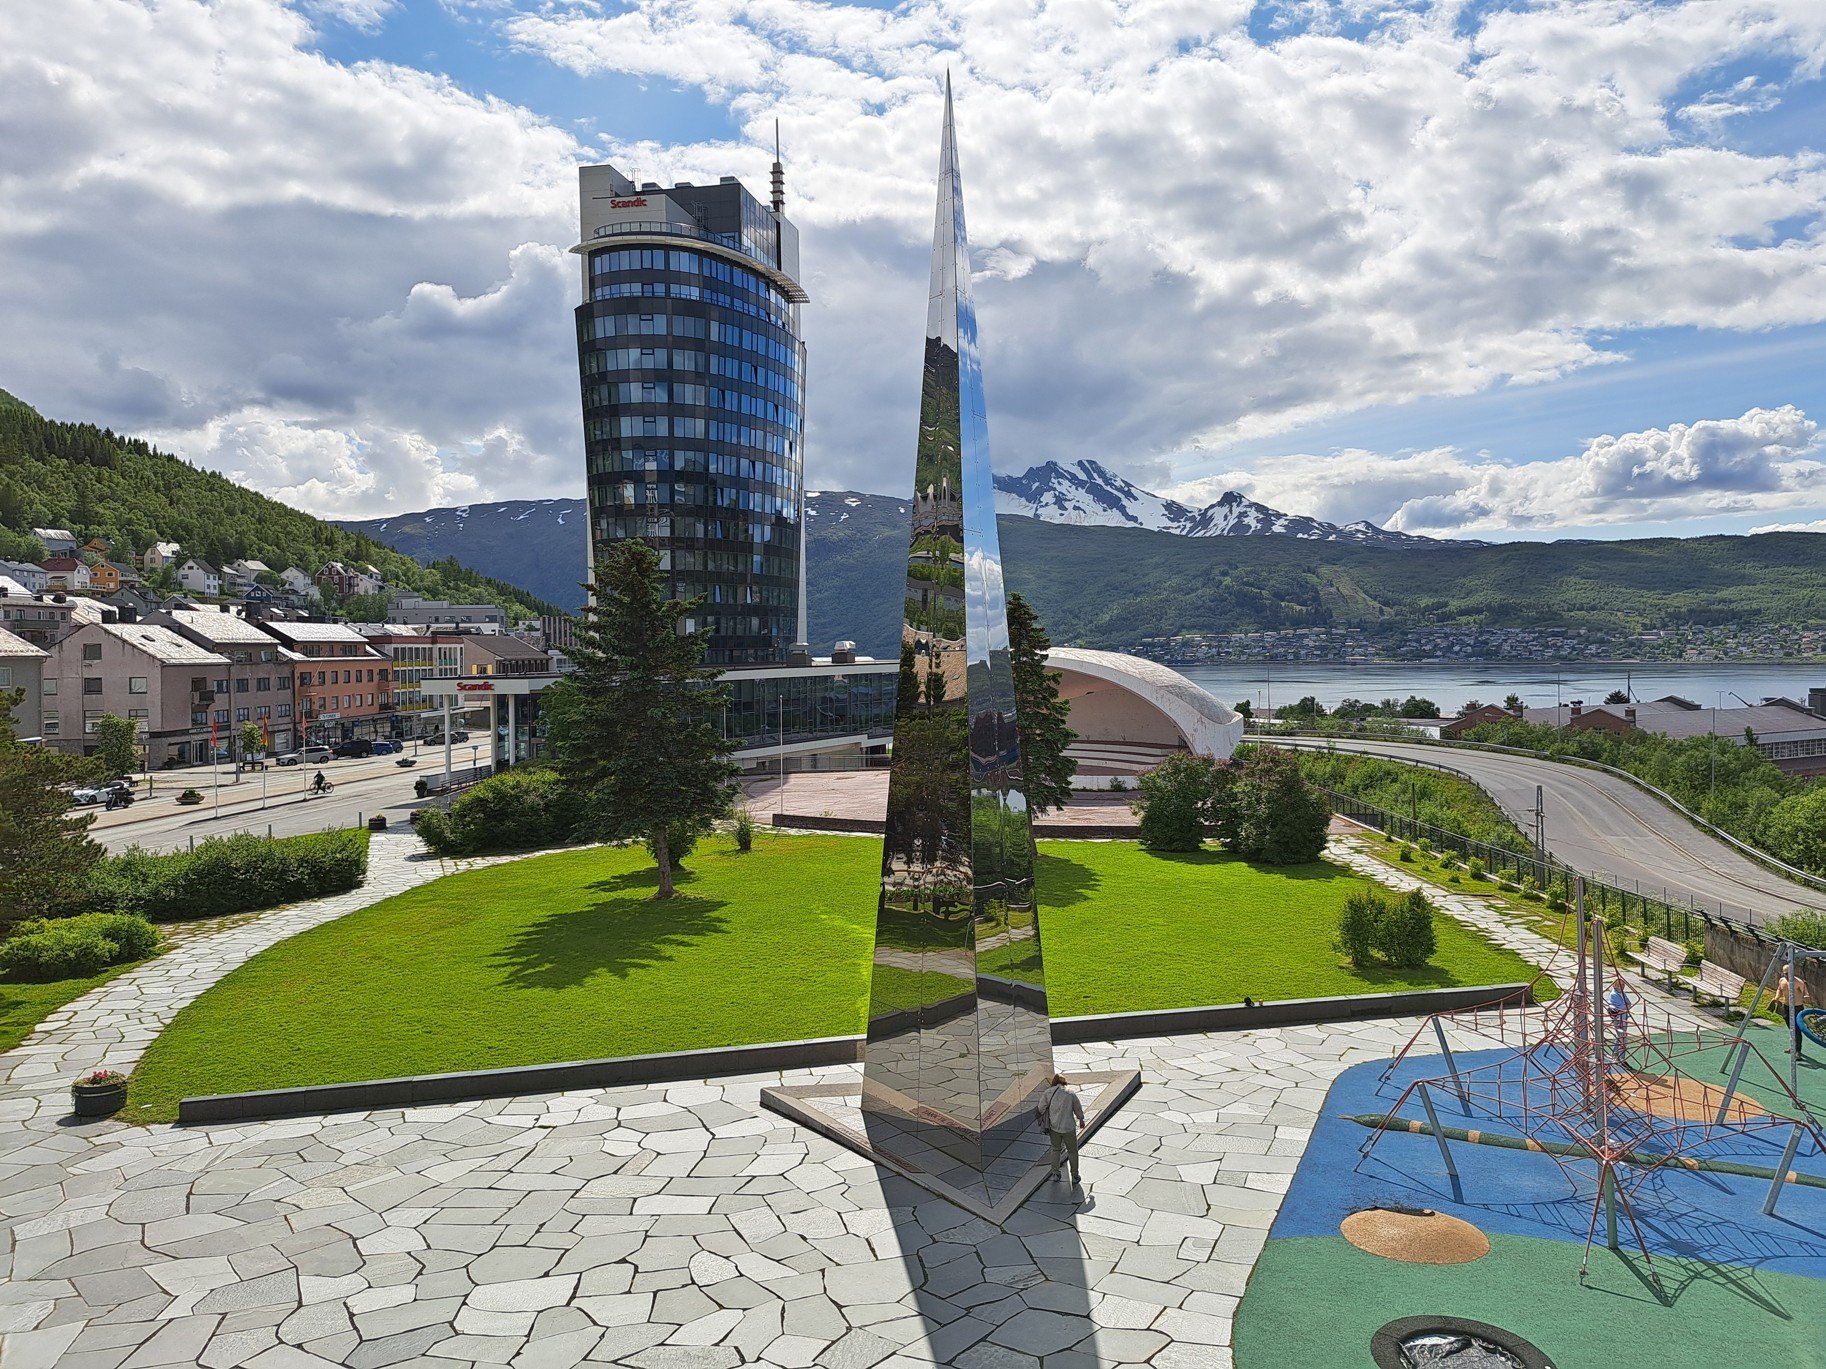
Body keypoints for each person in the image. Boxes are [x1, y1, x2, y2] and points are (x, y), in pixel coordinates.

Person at [1034, 1073, 1084, 1185]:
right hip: (1068, 1127)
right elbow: (1077, 1108)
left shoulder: (1048, 1093)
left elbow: (1040, 1108)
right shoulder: (1070, 1094)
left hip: (1054, 1127)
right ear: (1064, 1082)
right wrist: (1081, 1119)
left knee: (1055, 1149)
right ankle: (1075, 1175)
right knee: (1072, 1151)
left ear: (1054, 1082)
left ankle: (1056, 1173)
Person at [1774, 967, 1812, 1060]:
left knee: (1797, 1029)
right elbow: (1779, 989)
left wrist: (1806, 997)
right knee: (1791, 1028)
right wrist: (1776, 997)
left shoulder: (1799, 982)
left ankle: (1798, 1051)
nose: (1787, 975)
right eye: (1785, 973)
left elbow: (1806, 993)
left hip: (1797, 1008)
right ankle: (1793, 1047)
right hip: (1787, 1007)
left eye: (1788, 973)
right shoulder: (1782, 980)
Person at [1604, 974, 1632, 1065]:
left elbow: (1629, 1003)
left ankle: (1616, 1055)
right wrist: (1625, 1007)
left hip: (1623, 1017)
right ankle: (1620, 1058)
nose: (1622, 986)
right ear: (1615, 985)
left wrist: (1625, 1007)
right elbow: (1619, 1008)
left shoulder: (1622, 993)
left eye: (1623, 985)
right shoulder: (1613, 995)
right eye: (1620, 985)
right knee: (1622, 1037)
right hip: (1618, 1018)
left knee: (1621, 1037)